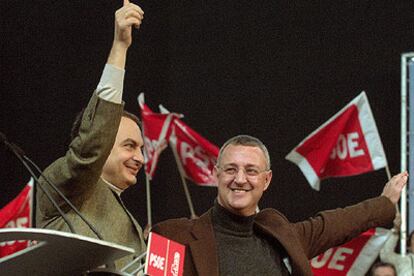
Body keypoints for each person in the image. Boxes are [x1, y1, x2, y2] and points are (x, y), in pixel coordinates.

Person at [152, 135, 408, 276]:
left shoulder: (281, 235)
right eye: (231, 169)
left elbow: (334, 223)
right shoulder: (172, 236)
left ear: (267, 180)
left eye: (251, 171)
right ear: (216, 173)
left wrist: (383, 204)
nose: (239, 179)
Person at [36, 0, 146, 271]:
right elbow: (92, 145)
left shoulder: (127, 218)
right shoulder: (71, 186)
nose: (140, 158)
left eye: (141, 148)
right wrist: (120, 47)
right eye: (129, 146)